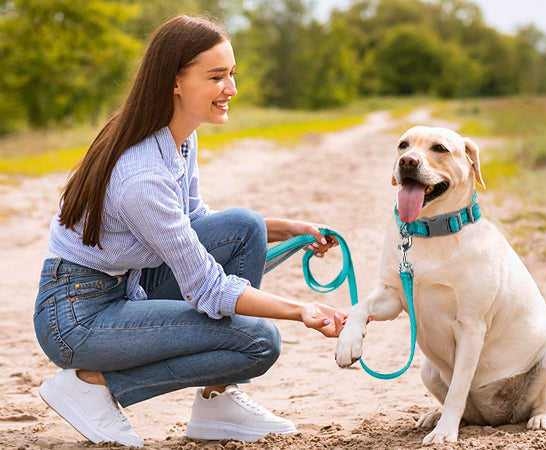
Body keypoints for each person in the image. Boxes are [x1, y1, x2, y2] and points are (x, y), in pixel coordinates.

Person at [33, 14, 346, 448]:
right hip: (77, 318)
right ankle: (93, 383)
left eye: (231, 74)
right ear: (174, 81)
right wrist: (300, 310)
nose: (231, 89)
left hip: (125, 288)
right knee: (258, 341)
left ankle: (217, 401)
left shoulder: (177, 137)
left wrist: (289, 229)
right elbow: (208, 288)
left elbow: (194, 224)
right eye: (216, 77)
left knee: (244, 226)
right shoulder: (142, 174)